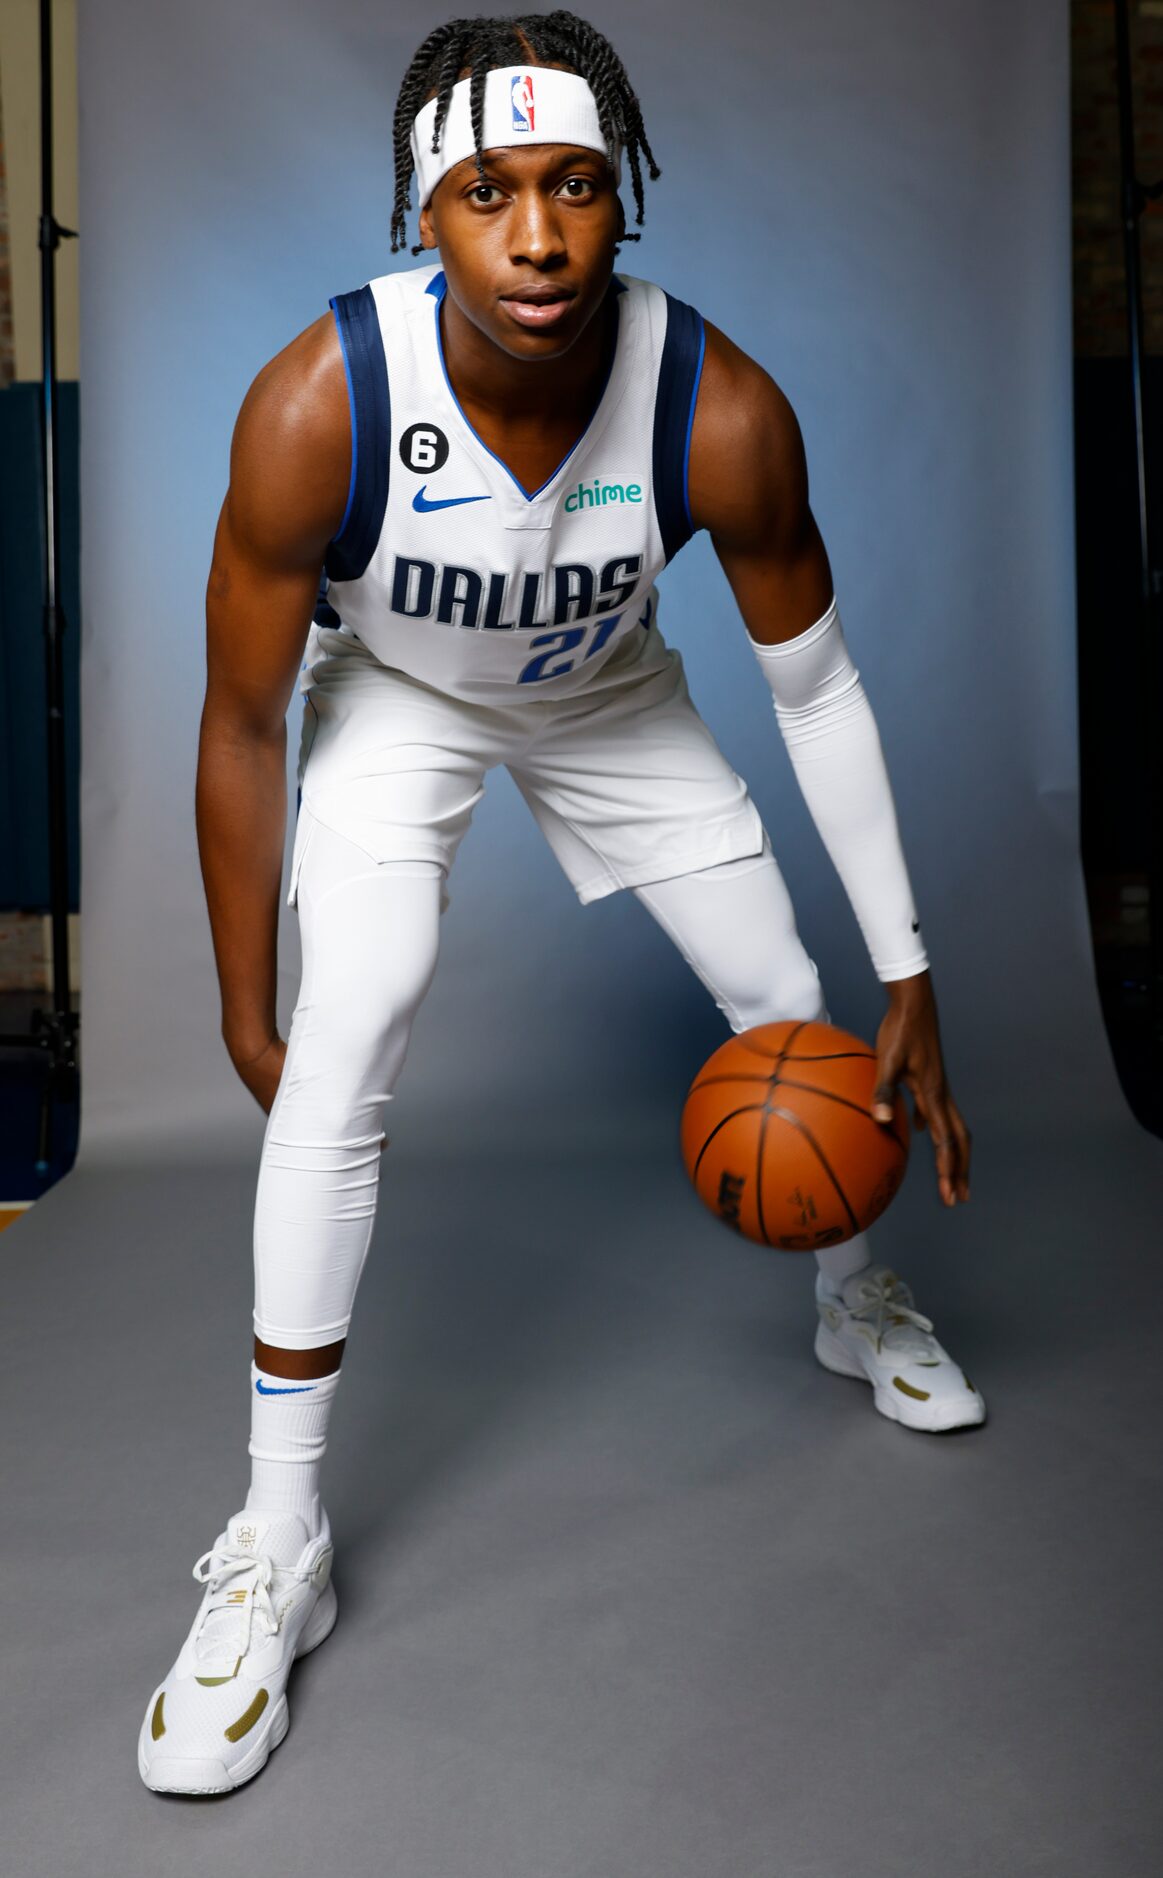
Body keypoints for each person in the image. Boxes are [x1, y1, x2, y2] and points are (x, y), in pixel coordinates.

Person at [138, 9, 980, 1798]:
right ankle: (275, 1541)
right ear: (422, 211)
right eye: (486, 191)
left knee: (789, 998)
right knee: (348, 1027)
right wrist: (240, 993)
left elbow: (816, 688)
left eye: (578, 187)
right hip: (400, 706)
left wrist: (908, 965)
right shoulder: (321, 401)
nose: (537, 237)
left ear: (628, 198)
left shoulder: (717, 403)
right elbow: (238, 714)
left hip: (612, 700)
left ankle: (852, 1288)